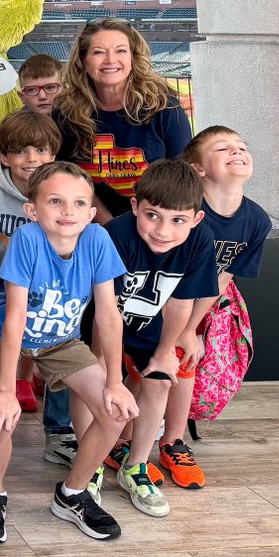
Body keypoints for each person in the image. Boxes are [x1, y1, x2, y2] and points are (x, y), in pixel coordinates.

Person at [0, 161, 137, 544]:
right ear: (32, 210)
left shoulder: (97, 239)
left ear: (92, 212)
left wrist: (114, 381)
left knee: (114, 412)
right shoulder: (28, 239)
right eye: (56, 201)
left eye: (80, 203)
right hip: (2, 335)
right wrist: (6, 389)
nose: (68, 211)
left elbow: (109, 316)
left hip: (60, 339)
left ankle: (73, 494)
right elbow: (14, 317)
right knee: (2, 417)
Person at [85, 159, 217, 519]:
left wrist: (164, 352)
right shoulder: (115, 235)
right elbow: (104, 311)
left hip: (148, 324)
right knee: (93, 385)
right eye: (153, 215)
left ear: (196, 219)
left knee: (159, 380)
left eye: (178, 220)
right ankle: (90, 462)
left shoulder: (199, 240)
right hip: (99, 324)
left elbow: (180, 300)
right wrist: (106, 367)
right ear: (134, 207)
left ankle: (136, 467)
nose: (163, 230)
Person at [157, 126, 271, 489]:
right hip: (165, 296)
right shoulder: (186, 212)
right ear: (199, 169)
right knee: (158, 359)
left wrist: (193, 328)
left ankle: (173, 439)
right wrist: (180, 329)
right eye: (223, 148)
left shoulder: (257, 220)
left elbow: (222, 279)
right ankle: (126, 440)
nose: (237, 151)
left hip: (210, 301)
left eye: (242, 145)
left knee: (188, 360)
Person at [0, 110, 76, 460]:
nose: (32, 159)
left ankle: (59, 432)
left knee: (64, 345)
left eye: (41, 151)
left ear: (53, 155)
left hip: (44, 281)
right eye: (22, 151)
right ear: (4, 156)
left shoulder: (61, 193)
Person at [55, 18, 192, 219]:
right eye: (98, 52)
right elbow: (67, 176)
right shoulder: (66, 111)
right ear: (83, 61)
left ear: (133, 59)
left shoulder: (164, 106)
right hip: (91, 223)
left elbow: (183, 174)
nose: (110, 60)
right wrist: (109, 226)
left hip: (155, 222)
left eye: (121, 51)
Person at [0, 52, 64, 159]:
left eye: (50, 87)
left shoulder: (77, 129)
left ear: (64, 90)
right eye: (32, 90)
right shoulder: (7, 132)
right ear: (22, 96)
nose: (42, 96)